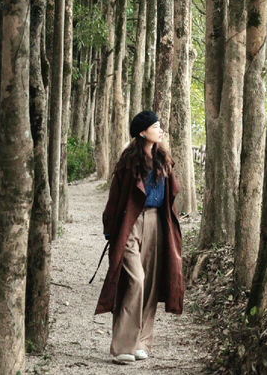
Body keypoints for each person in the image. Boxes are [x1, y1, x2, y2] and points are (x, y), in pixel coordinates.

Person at [95, 110, 184, 365]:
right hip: (131, 223)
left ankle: (142, 342)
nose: (161, 130)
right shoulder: (129, 161)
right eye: (156, 126)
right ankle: (123, 345)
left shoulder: (163, 158)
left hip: (157, 223)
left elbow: (171, 194)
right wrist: (110, 229)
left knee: (152, 283)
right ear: (143, 132)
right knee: (136, 280)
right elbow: (115, 197)